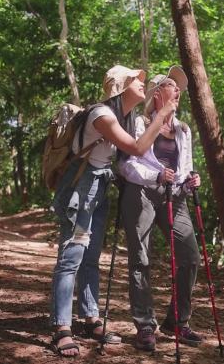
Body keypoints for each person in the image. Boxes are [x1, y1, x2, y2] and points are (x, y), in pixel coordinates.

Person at [49, 65, 176, 358]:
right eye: (136, 80)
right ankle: (62, 328)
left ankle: (90, 318)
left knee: (91, 256)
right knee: (72, 256)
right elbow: (135, 148)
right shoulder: (102, 114)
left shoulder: (127, 116)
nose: (142, 84)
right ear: (121, 87)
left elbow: (130, 158)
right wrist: (161, 114)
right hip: (80, 188)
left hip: (100, 185)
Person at [119, 65, 203, 352]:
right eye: (171, 85)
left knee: (190, 256)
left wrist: (190, 180)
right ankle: (144, 324)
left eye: (178, 87)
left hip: (173, 196)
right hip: (141, 193)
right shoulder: (139, 124)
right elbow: (127, 165)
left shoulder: (183, 129)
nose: (177, 89)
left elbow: (185, 167)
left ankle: (176, 321)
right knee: (140, 259)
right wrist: (155, 176)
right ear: (157, 94)